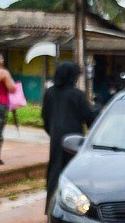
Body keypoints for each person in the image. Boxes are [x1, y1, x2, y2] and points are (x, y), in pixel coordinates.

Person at [42, 61, 98, 210]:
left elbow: (45, 118)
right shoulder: (77, 95)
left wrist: (53, 132)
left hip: (55, 138)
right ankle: (73, 207)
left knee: (55, 170)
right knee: (73, 172)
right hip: (74, 139)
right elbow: (90, 117)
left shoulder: (50, 93)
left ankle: (50, 206)